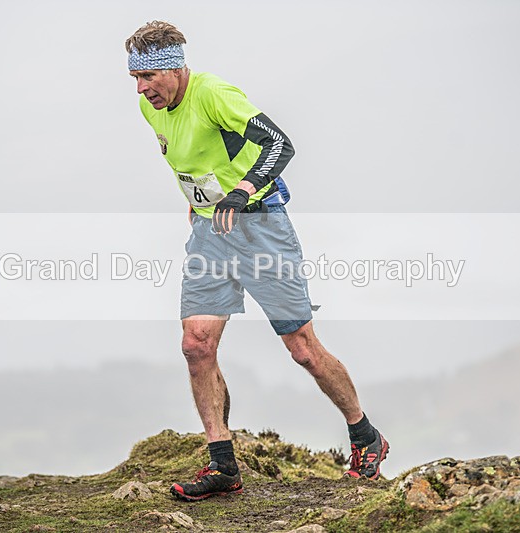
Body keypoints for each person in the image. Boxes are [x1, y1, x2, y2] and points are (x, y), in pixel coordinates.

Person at [125, 21, 389, 501]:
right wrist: (199, 204)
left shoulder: (214, 94)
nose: (141, 89)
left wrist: (242, 191)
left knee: (302, 348)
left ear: (175, 68)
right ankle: (223, 464)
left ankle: (365, 436)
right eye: (135, 79)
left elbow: (280, 144)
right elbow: (191, 159)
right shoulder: (151, 107)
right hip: (211, 233)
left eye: (148, 77)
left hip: (261, 225)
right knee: (195, 345)